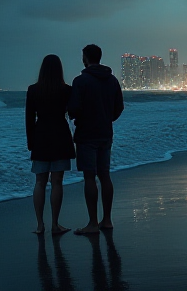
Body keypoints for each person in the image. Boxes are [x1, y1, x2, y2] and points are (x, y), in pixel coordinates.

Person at [67, 44, 124, 235]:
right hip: (105, 132)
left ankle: (92, 223)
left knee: (89, 177)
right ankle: (107, 220)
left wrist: (78, 116)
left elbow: (73, 108)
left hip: (86, 134)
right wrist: (107, 118)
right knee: (105, 175)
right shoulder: (113, 80)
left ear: (85, 58)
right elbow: (119, 107)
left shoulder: (81, 81)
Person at [26, 54, 75, 235]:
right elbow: (73, 113)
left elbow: (29, 119)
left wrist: (31, 142)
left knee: (39, 182)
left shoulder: (33, 90)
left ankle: (40, 225)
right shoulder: (66, 90)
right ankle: (55, 224)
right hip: (60, 136)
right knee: (57, 182)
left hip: (40, 136)